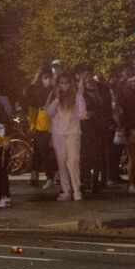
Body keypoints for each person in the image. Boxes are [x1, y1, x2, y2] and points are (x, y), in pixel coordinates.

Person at [46, 71, 88, 201]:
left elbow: (82, 114)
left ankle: (77, 190)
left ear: (71, 84)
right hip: (58, 134)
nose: (64, 85)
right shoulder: (54, 95)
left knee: (73, 161)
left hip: (73, 133)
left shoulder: (76, 96)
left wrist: (80, 96)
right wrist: (57, 99)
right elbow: (49, 112)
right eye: (62, 83)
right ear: (58, 84)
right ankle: (66, 191)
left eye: (67, 83)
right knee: (62, 162)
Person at [25, 68, 56, 189]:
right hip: (39, 126)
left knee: (46, 153)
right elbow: (32, 106)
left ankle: (50, 178)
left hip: (49, 127)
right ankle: (34, 176)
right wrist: (32, 125)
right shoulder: (38, 91)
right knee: (37, 153)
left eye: (49, 77)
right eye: (45, 78)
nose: (47, 80)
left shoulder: (55, 92)